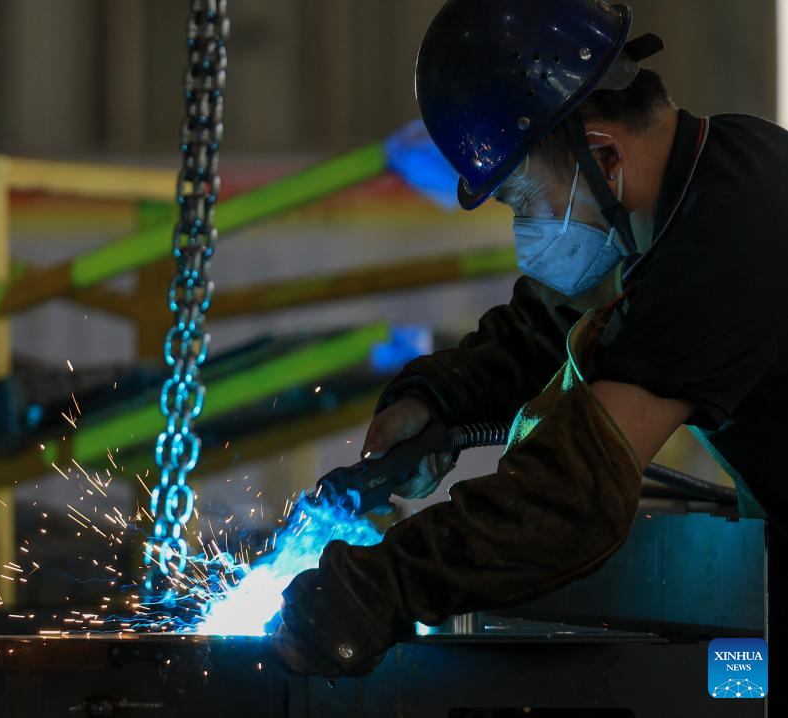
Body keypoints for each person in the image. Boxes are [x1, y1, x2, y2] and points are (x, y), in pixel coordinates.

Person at [271, 0, 788, 677]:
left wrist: (381, 588)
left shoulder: (726, 241)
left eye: (520, 199)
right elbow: (547, 327)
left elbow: (573, 497)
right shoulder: (700, 182)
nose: (523, 228)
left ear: (602, 154)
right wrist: (437, 402)